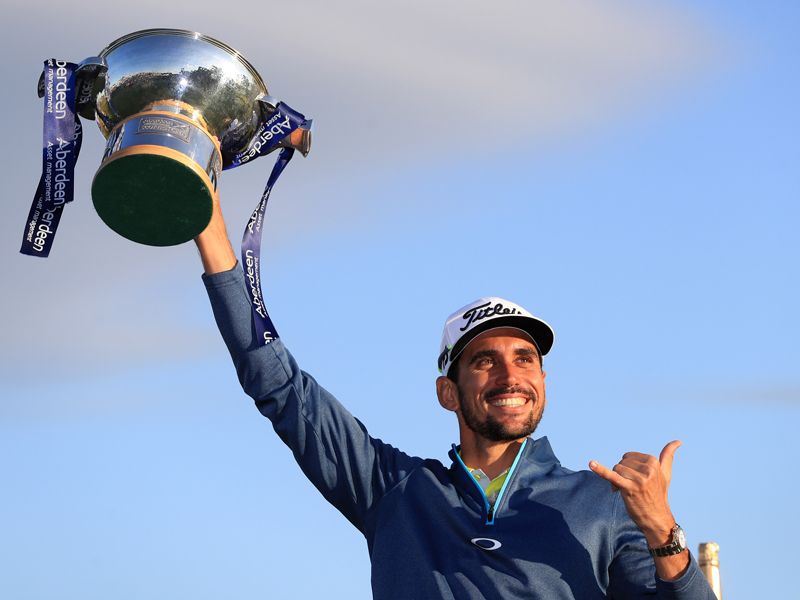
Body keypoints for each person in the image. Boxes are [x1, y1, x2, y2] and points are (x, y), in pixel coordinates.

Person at [194, 195, 715, 599]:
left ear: (543, 382)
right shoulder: (394, 490)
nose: (510, 375)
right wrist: (211, 231)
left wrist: (661, 529)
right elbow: (278, 385)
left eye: (525, 358)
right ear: (448, 392)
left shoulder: (602, 502)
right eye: (485, 361)